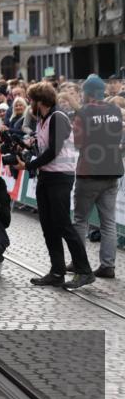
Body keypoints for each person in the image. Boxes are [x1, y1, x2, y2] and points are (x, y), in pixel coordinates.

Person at [16, 81, 94, 289]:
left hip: (60, 176)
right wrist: (27, 145)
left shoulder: (58, 117)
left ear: (40, 101)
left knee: (63, 224)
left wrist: (28, 165)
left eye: (31, 100)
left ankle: (84, 270)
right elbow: (44, 148)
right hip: (47, 175)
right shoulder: (43, 119)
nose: (30, 104)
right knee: (49, 226)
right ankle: (57, 271)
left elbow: (54, 151)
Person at [69, 74, 122, 279]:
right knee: (108, 222)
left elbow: (78, 142)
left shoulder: (83, 113)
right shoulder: (115, 110)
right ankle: (108, 265)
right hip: (112, 170)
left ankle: (79, 262)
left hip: (89, 172)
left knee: (80, 220)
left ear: (88, 93)